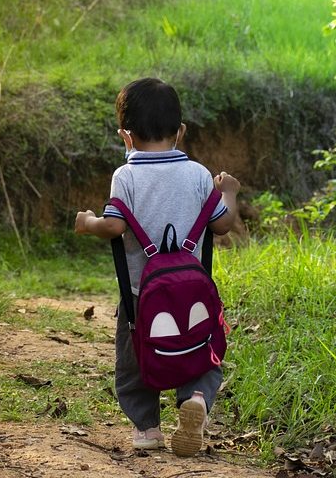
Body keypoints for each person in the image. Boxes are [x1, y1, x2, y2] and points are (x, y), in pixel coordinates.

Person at [74, 77, 241, 457]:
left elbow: (113, 226)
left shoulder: (126, 176)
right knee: (200, 350)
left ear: (126, 136)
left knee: (134, 362)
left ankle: (147, 428)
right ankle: (196, 398)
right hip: (193, 294)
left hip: (140, 297)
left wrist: (88, 223)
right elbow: (222, 224)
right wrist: (229, 192)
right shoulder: (198, 174)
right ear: (180, 132)